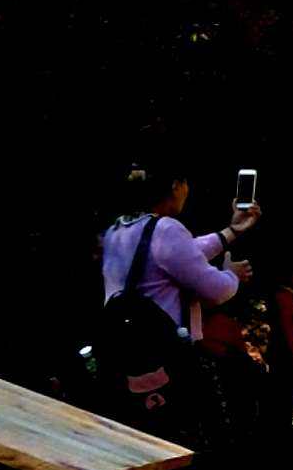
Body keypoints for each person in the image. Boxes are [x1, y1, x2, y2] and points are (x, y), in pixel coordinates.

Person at [97, 162, 257, 441]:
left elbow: (184, 253)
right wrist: (231, 275)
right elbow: (216, 289)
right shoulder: (167, 230)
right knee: (189, 443)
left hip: (130, 359)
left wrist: (231, 232)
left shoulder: (118, 231)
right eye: (185, 184)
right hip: (172, 362)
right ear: (175, 186)